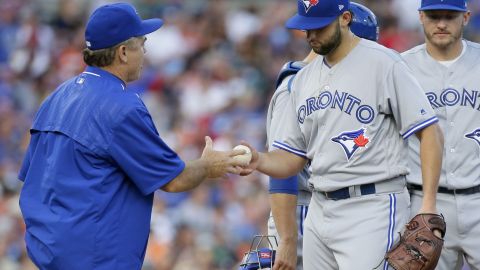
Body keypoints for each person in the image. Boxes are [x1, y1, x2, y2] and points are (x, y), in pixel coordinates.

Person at [17, 3, 246, 270]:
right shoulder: (121, 106)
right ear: (123, 52)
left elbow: (31, 178)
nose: (145, 51)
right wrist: (208, 165)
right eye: (141, 43)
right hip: (95, 260)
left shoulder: (56, 97)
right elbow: (174, 180)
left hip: (48, 257)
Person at [240, 0, 444, 269]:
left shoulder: (384, 63)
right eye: (306, 28)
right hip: (319, 207)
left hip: (371, 205)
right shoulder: (302, 79)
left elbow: (429, 132)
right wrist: (259, 160)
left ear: (345, 18)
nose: (311, 35)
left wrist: (428, 203)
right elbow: (292, 159)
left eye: (319, 27)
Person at [266, 3, 380, 269]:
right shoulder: (295, 86)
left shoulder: (334, 85)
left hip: (327, 210)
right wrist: (287, 236)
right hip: (299, 213)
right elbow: (283, 170)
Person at [402, 0, 480, 269]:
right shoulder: (400, 68)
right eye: (435, 16)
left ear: (466, 17)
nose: (442, 24)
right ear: (421, 16)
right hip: (423, 204)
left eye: (450, 16)